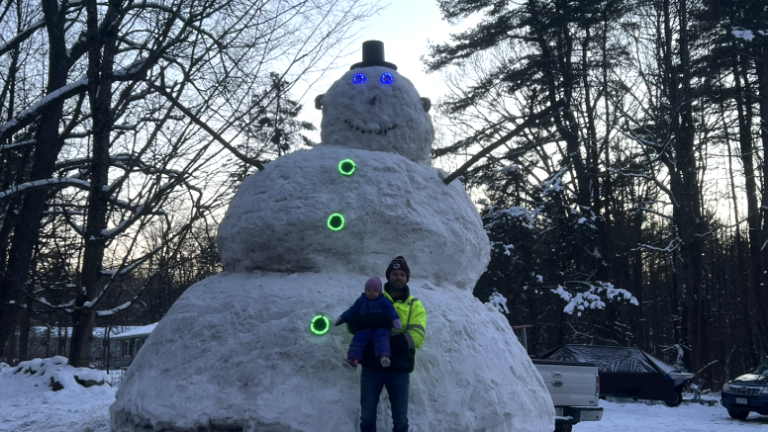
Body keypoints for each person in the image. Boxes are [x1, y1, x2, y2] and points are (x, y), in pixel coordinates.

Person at [358, 256, 426, 432]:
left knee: (401, 420)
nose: (398, 277)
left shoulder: (414, 305)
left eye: (402, 274)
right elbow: (353, 327)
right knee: (367, 417)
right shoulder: (370, 297)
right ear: (388, 276)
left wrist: (384, 341)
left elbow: (417, 336)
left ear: (407, 278)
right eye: (395, 274)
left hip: (399, 369)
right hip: (372, 367)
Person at [335, 276, 401, 368]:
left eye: (374, 291)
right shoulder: (361, 301)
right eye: (369, 290)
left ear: (379, 292)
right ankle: (353, 360)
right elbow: (353, 310)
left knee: (382, 339)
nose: (371, 293)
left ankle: (383, 356)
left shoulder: (383, 301)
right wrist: (343, 318)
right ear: (365, 290)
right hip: (364, 328)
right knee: (357, 340)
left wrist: (394, 319)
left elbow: (390, 311)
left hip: (380, 328)